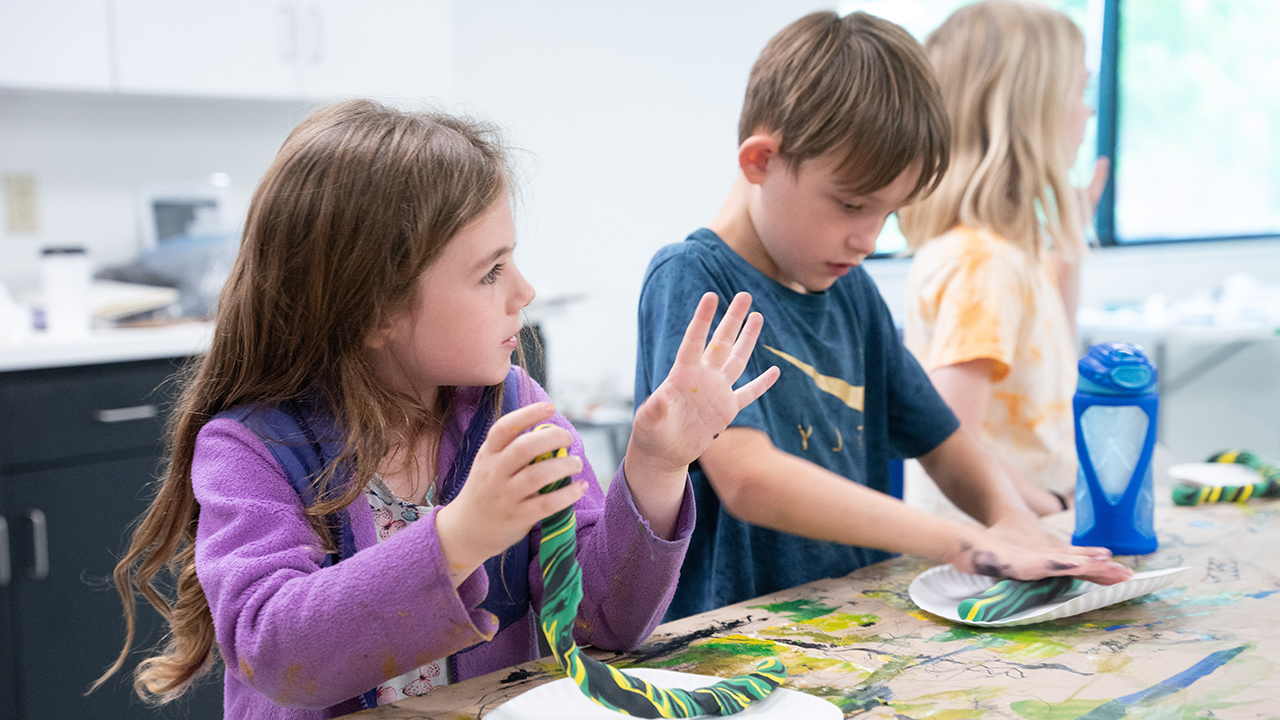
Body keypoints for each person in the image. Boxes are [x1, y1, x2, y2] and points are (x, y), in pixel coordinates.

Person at [94, 100, 778, 718]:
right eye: (489, 272)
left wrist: (657, 468)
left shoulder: (517, 410)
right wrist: (461, 537)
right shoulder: (252, 449)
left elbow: (601, 624)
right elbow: (274, 652)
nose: (524, 291)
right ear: (375, 311)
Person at [634, 10, 1131, 622]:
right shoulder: (692, 279)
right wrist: (966, 543)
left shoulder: (853, 293)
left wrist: (1013, 521)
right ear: (761, 160)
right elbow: (747, 478)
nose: (867, 239)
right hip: (734, 644)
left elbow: (948, 443)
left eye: (889, 215)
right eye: (851, 205)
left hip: (847, 629)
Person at [899, 0, 1111, 517]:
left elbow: (1047, 350)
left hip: (1014, 538)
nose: (1088, 111)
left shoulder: (1007, 252)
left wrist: (1069, 240)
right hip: (993, 551)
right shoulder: (983, 263)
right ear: (1029, 112)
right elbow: (954, 439)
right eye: (1078, 91)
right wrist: (1054, 506)